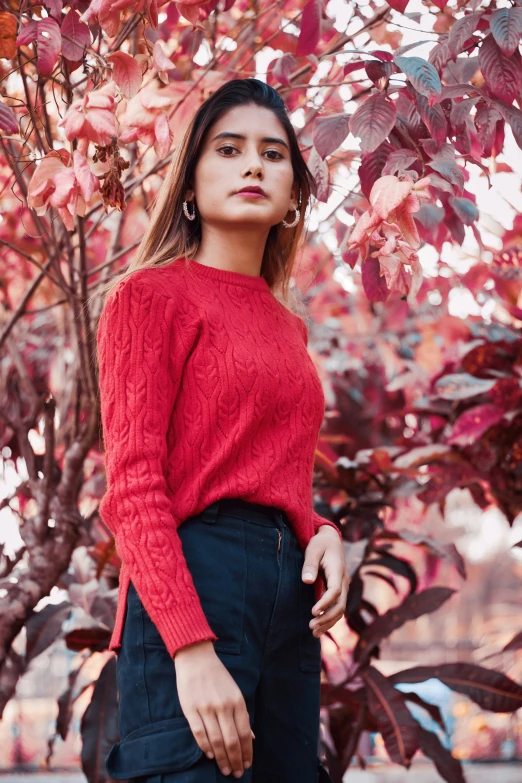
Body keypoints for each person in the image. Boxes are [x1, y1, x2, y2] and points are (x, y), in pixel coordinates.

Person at [96, 77, 348, 783]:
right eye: (229, 149)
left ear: (294, 190)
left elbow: (272, 474)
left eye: (273, 154)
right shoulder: (148, 298)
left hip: (286, 608)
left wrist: (323, 531)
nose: (253, 166)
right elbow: (136, 488)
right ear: (190, 182)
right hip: (193, 582)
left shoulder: (287, 325)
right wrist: (190, 649)